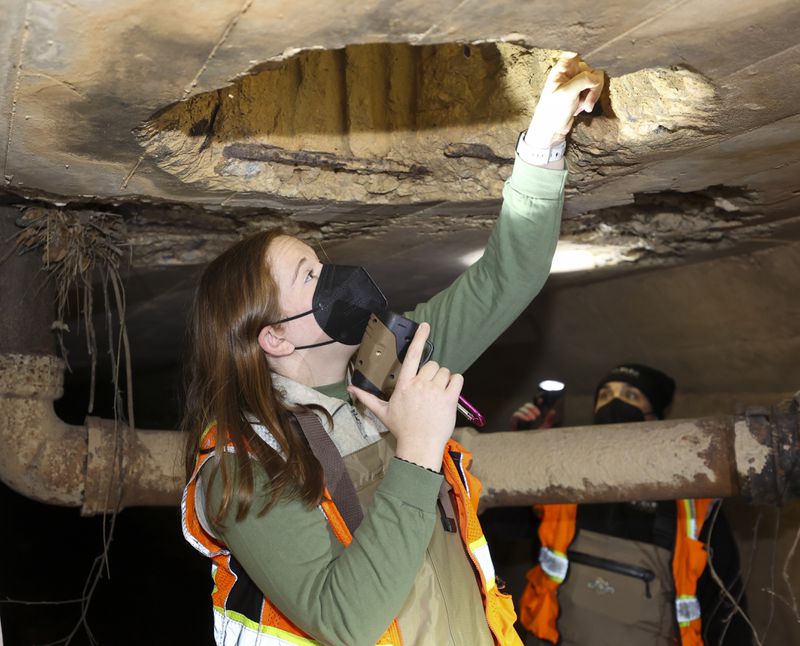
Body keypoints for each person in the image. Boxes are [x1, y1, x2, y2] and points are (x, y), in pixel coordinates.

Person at [180, 54, 604, 646]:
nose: (334, 280)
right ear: (273, 337)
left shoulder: (390, 358)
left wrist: (545, 139)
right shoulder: (244, 469)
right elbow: (344, 620)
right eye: (310, 278)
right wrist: (419, 450)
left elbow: (509, 276)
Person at [517, 364, 751, 646]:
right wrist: (525, 449)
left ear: (656, 416)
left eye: (631, 395)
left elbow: (725, 603)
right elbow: (503, 529)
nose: (614, 403)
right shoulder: (567, 477)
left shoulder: (690, 499)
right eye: (605, 395)